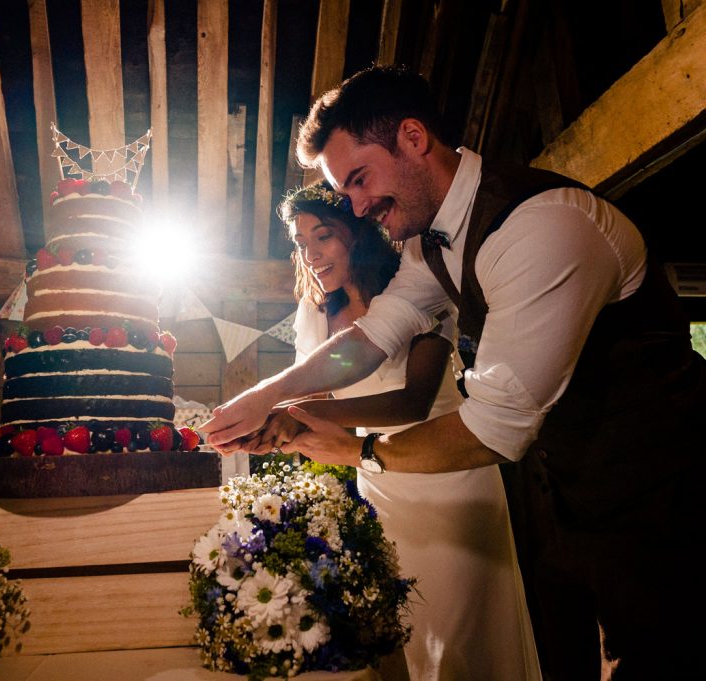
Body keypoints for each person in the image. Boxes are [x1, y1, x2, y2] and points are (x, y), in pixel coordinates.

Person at [202, 65, 705, 679]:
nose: (356, 205)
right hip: (559, 496)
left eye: (359, 179)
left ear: (413, 138)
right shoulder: (427, 244)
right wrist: (269, 394)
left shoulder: (540, 226)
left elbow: (495, 427)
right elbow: (369, 339)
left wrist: (360, 450)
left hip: (668, 493)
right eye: (346, 191)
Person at [252, 182, 540, 680]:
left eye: (324, 236)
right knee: (407, 634)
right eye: (302, 243)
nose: (313, 254)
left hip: (449, 474)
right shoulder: (315, 311)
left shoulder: (418, 290)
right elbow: (315, 399)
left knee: (461, 633)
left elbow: (414, 399)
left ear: (359, 234)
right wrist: (271, 424)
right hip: (379, 483)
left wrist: (297, 410)